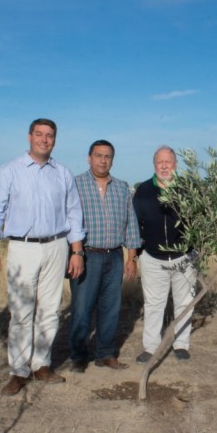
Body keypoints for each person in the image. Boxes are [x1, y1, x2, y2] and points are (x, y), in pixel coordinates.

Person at [0, 118, 86, 396]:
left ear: (55, 139)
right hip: (23, 247)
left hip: (57, 245)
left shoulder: (62, 173)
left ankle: (42, 364)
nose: (44, 139)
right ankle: (19, 371)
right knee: (21, 312)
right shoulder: (10, 171)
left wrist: (77, 251)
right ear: (29, 137)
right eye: (39, 134)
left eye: (49, 135)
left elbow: (74, 213)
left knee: (50, 310)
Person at [69, 140, 141, 372]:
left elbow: (131, 224)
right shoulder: (75, 185)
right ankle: (79, 356)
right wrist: (74, 253)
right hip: (86, 255)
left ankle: (106, 354)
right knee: (82, 308)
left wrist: (131, 257)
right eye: (98, 155)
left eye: (107, 156)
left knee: (110, 308)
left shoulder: (121, 187)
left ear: (112, 159)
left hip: (115, 257)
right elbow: (68, 223)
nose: (103, 160)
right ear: (89, 157)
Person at [133, 145, 197, 364]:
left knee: (185, 303)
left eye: (167, 161)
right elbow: (135, 224)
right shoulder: (143, 191)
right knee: (153, 304)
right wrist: (137, 253)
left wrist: (196, 248)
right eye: (159, 162)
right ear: (154, 165)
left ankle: (181, 344)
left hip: (184, 257)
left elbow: (201, 219)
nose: (164, 166)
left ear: (175, 164)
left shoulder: (188, 189)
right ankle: (151, 348)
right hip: (152, 258)